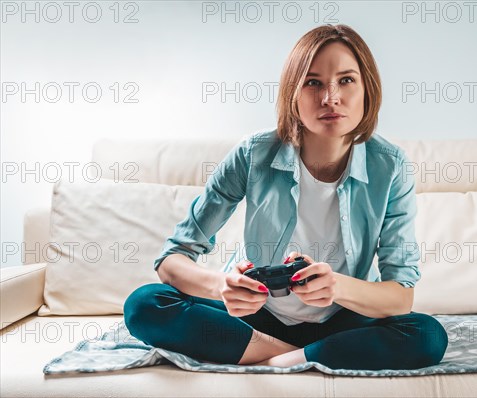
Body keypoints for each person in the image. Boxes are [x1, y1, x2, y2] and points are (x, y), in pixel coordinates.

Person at [123, 24, 448, 371]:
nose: (330, 97)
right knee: (144, 305)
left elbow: (400, 296)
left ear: (368, 88)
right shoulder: (253, 154)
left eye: (346, 80)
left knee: (427, 336)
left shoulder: (391, 166)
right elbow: (172, 261)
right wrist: (223, 286)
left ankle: (284, 357)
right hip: (255, 318)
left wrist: (335, 287)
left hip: (343, 320)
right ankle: (292, 353)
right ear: (293, 92)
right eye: (313, 82)